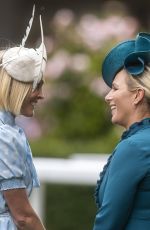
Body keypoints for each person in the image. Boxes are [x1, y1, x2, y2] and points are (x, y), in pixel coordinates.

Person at [93, 32, 150, 230]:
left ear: (137, 95)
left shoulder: (134, 147)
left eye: (115, 89)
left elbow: (108, 223)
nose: (108, 97)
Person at [0, 6, 47, 230]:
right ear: (17, 86)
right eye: (36, 86)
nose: (41, 95)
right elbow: (23, 217)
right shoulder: (4, 136)